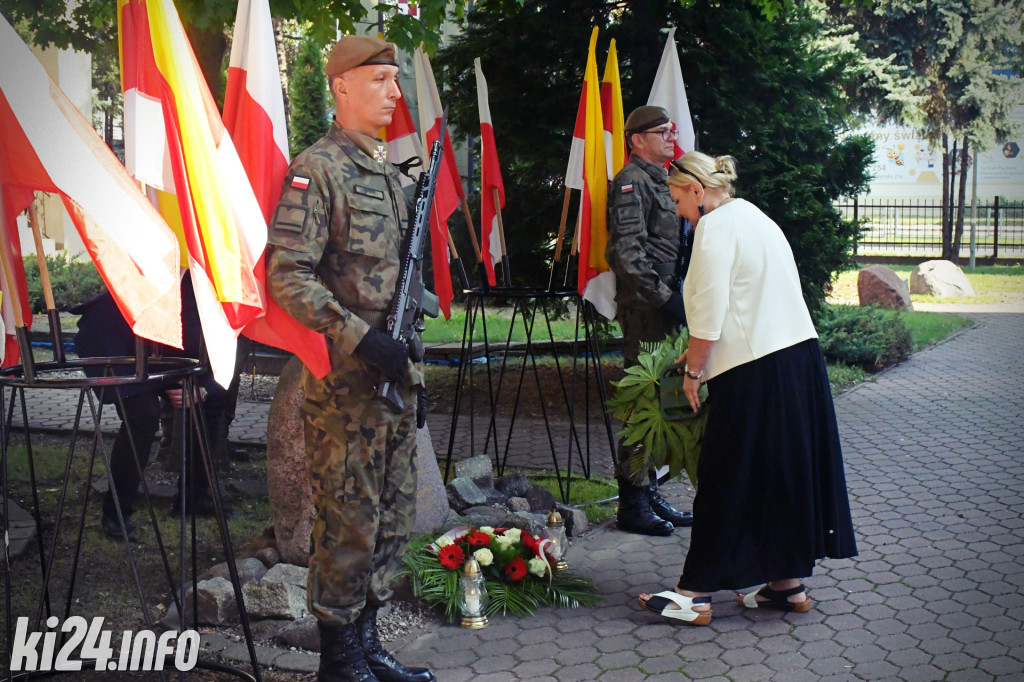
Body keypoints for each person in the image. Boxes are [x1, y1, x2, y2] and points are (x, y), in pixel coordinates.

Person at [265, 35, 433, 682]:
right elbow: (290, 277)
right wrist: (364, 339)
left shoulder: (389, 173)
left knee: (392, 519)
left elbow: (393, 277)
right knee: (349, 523)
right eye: (381, 80)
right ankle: (339, 660)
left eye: (395, 80)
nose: (395, 93)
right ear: (340, 87)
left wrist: (410, 334)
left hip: (394, 379)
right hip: (344, 387)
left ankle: (368, 644)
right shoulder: (318, 169)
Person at [637, 151, 857, 625]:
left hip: (757, 370)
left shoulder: (715, 228)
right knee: (779, 472)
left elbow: (713, 308)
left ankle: (693, 594)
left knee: (726, 475)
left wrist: (694, 371)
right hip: (798, 360)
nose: (677, 210)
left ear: (697, 190)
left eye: (677, 198)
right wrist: (699, 354)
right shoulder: (755, 215)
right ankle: (786, 585)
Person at [73, 276, 226, 543]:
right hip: (116, 339)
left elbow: (217, 348)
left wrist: (202, 388)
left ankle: (194, 498)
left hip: (165, 347)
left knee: (210, 402)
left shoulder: (208, 283)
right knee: (143, 415)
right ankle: (117, 513)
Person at [605, 105, 694, 536]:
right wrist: (664, 299)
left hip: (670, 305)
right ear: (637, 139)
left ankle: (650, 490)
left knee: (665, 403)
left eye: (671, 130)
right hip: (647, 312)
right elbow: (626, 254)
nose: (669, 136)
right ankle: (632, 503)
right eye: (661, 131)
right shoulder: (630, 182)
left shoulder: (666, 179)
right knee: (643, 405)